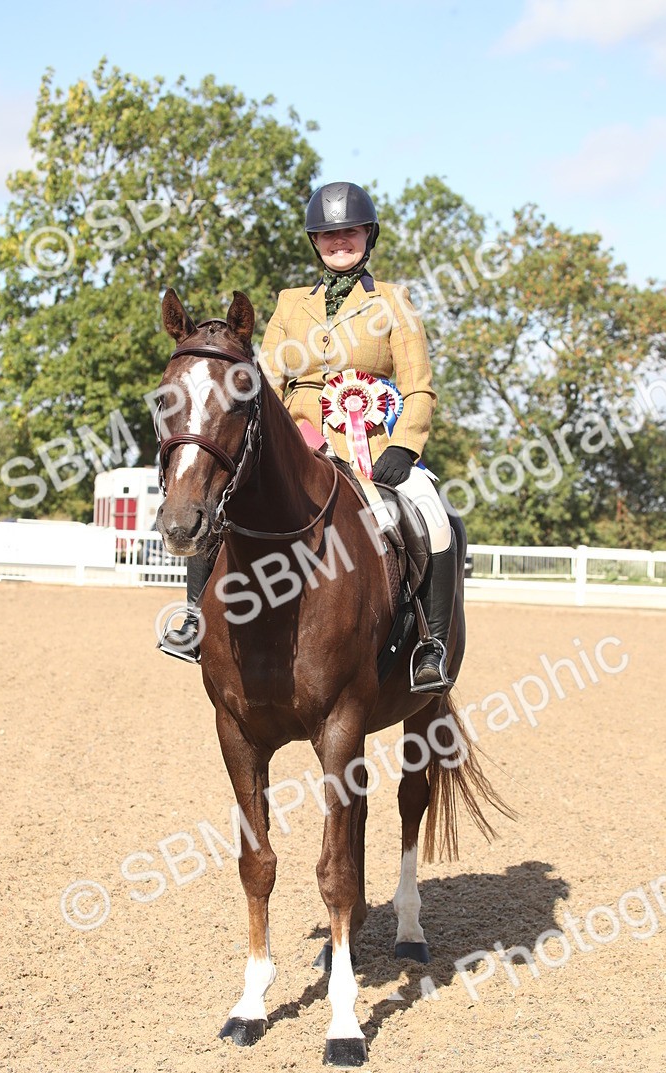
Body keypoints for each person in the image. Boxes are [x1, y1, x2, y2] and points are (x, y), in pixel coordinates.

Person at [160, 181, 459, 693]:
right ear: (314, 241)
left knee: (434, 514)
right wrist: (286, 436)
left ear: (368, 235)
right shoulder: (290, 304)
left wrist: (405, 446)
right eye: (327, 234)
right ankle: (192, 618)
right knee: (217, 499)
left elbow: (419, 387)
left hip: (376, 449)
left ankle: (430, 646)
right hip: (296, 447)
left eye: (349, 232)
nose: (339, 241)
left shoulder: (395, 302)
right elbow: (267, 382)